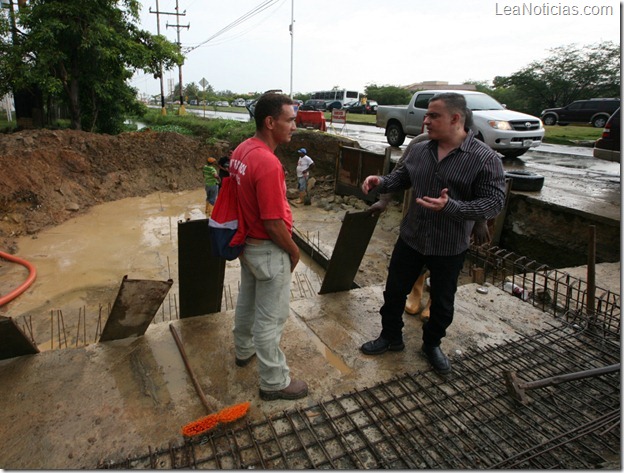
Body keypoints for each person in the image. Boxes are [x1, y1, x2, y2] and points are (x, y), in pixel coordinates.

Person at [360, 92, 506, 374]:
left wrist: (451, 207)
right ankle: (390, 337)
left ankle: (431, 344)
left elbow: (493, 202)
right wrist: (381, 181)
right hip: (412, 237)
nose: (425, 120)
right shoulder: (419, 148)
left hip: (449, 244)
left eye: (433, 115)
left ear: (455, 119)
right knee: (393, 293)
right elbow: (402, 178)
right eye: (426, 115)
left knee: (441, 301)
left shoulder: (484, 159)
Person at [229, 92, 308, 401]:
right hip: (267, 247)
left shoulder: (242, 150)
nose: (293, 126)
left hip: (248, 246)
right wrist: (294, 250)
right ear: (270, 121)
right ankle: (274, 382)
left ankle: (243, 350)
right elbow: (274, 223)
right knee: (271, 318)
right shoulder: (269, 163)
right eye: (289, 120)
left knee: (247, 303)